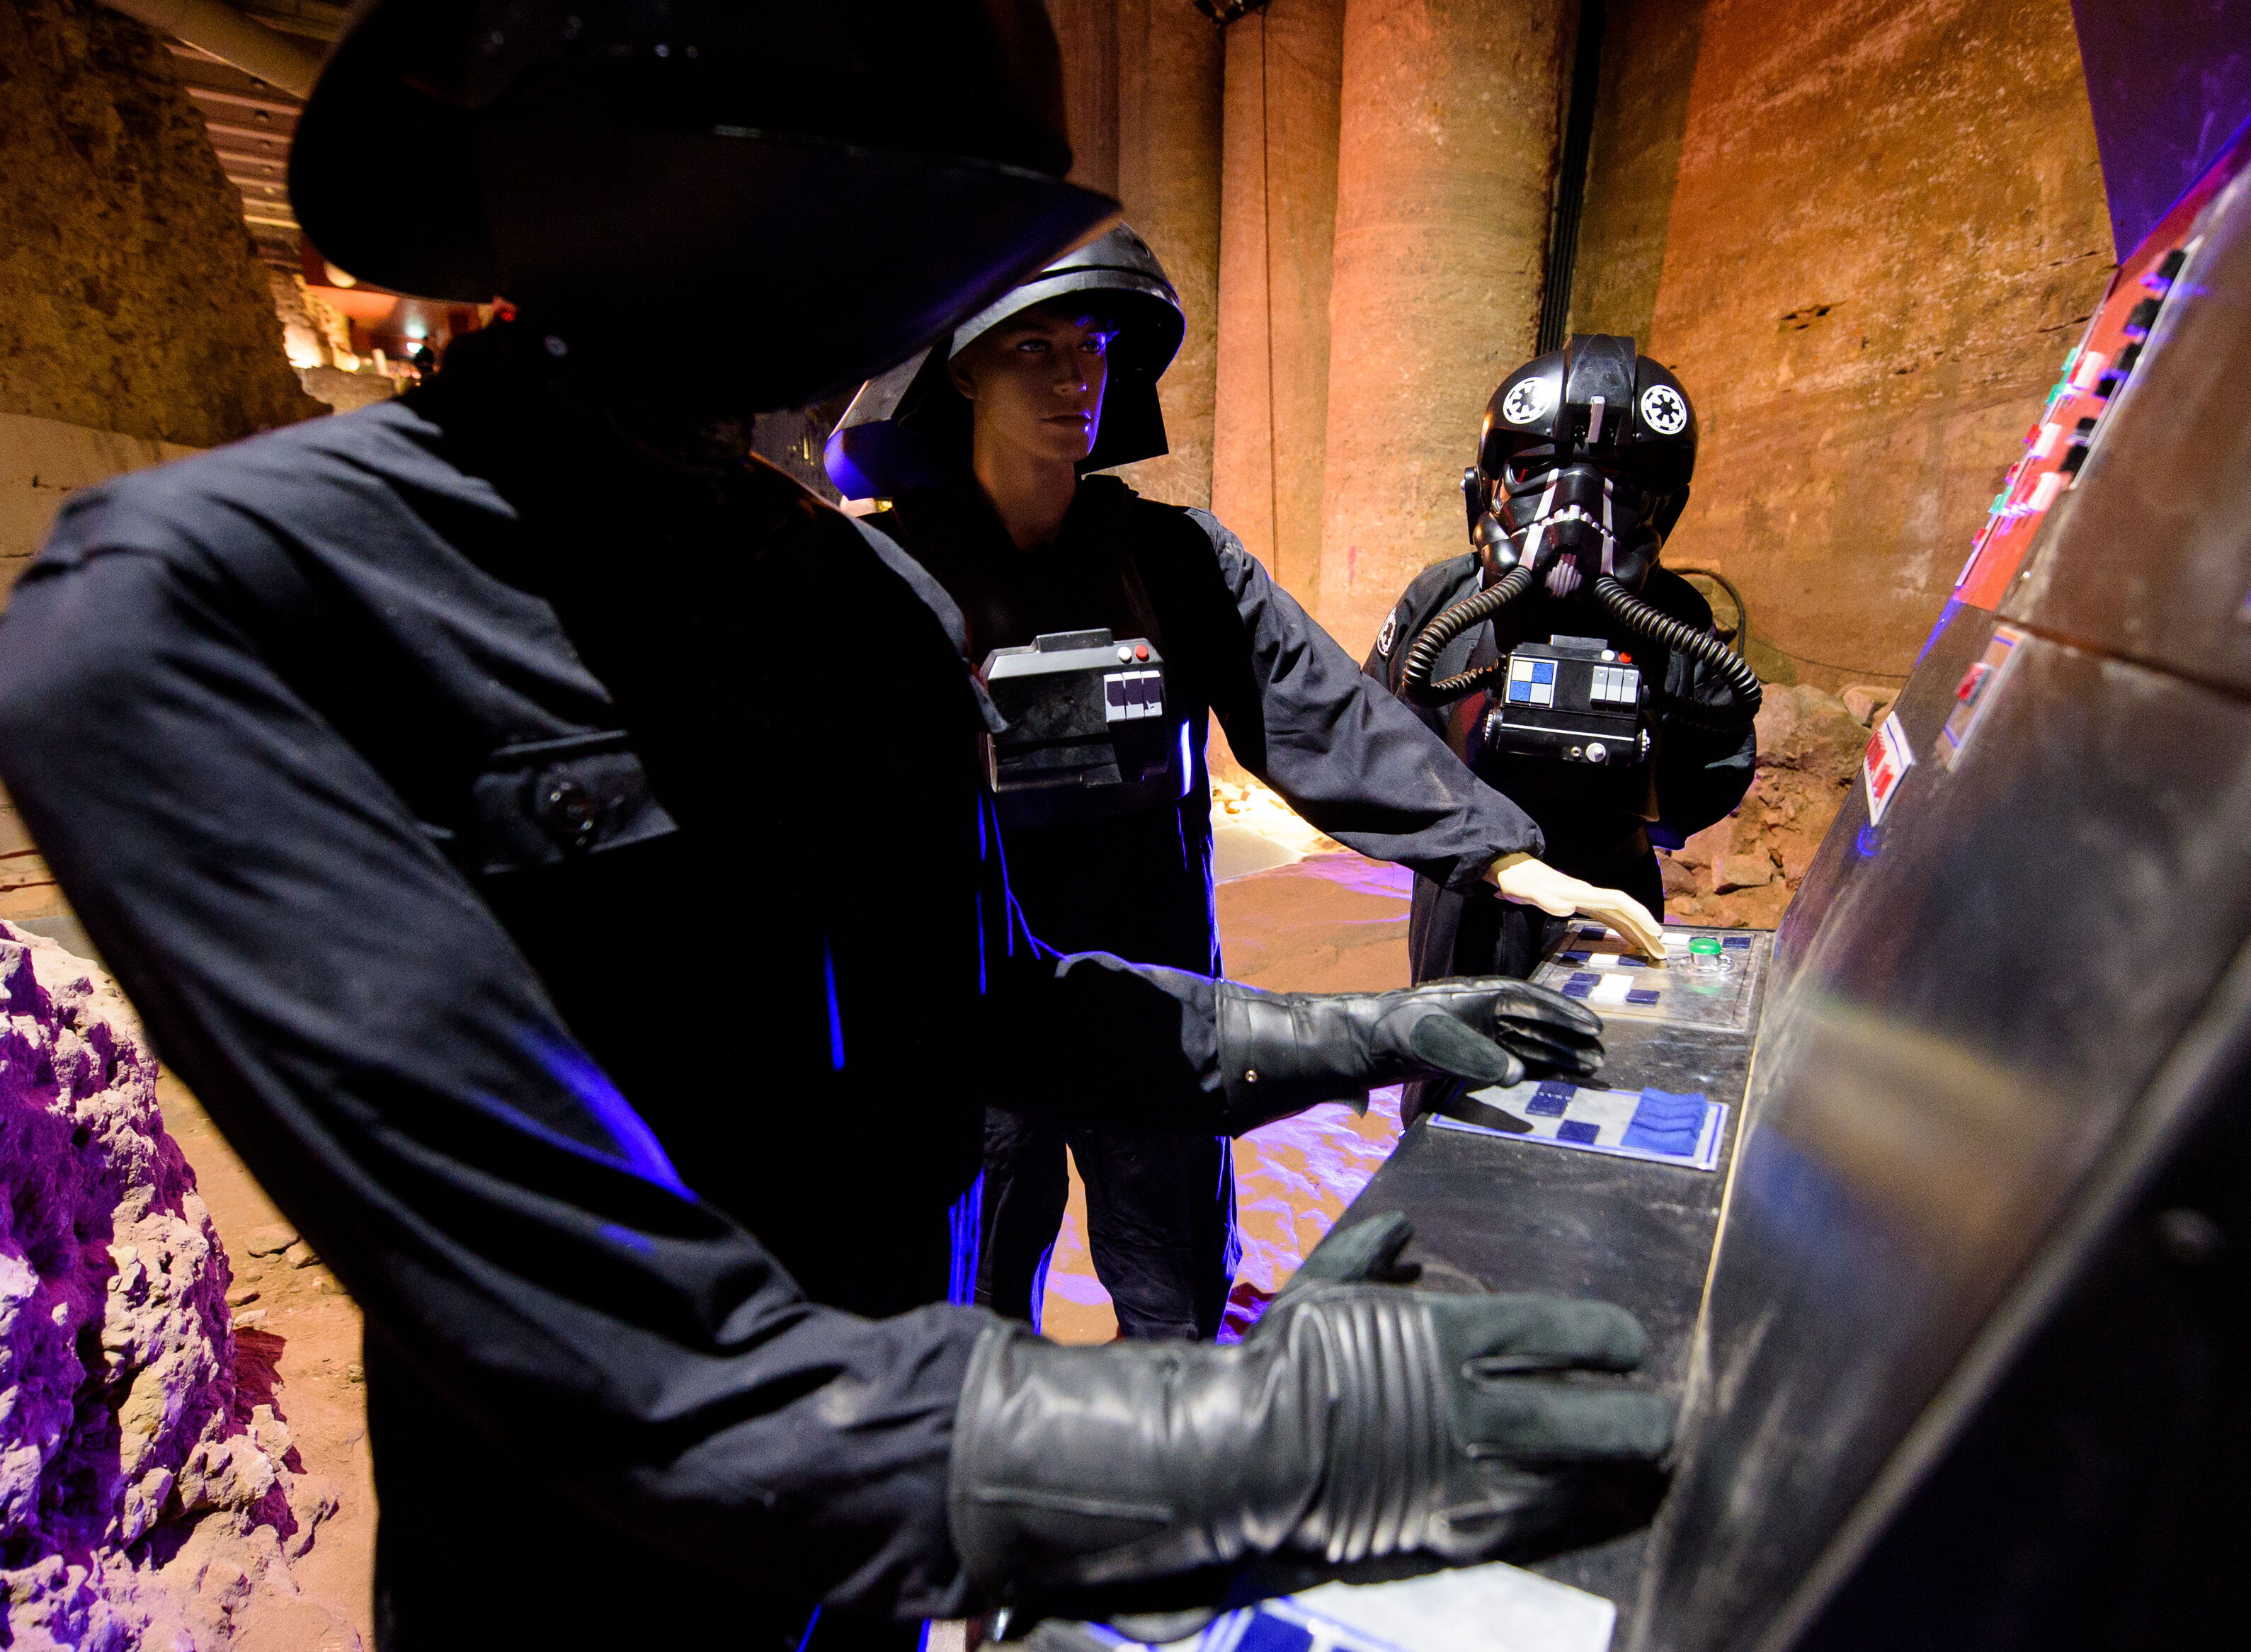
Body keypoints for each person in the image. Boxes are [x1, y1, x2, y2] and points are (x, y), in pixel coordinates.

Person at [0, 6, 1670, 1649]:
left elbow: (1004, 1011)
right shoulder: (222, 607)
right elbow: (600, 1331)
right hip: (607, 1593)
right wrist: (1229, 1445)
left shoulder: (855, 599)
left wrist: (1372, 1028)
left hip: (890, 1545)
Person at [826, 228, 1668, 1343]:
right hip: (986, 1014)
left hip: (1163, 1007)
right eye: (1034, 346)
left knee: (1175, 1296)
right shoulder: (890, 572)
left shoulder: (1174, 560)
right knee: (972, 1308)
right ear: (964, 369)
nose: (1075, 376)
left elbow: (1317, 706)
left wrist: (1505, 855)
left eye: (1092, 345)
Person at [1367, 336, 1762, 997]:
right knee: (1453, 1048)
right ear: (1487, 486)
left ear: (1663, 502)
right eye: (1535, 469)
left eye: (1621, 481)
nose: (1575, 503)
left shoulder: (1677, 618)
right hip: (1468, 891)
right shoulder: (1443, 599)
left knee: (1599, 1047)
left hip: (1610, 889)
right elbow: (1375, 738)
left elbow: (1711, 775)